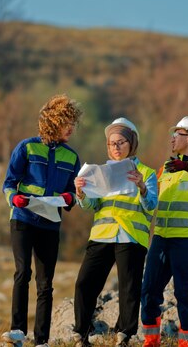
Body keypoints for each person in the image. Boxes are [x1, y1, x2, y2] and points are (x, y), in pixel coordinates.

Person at [1, 94, 83, 347]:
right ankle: (17, 331)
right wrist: (15, 199)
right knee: (22, 272)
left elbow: (75, 194)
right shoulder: (26, 147)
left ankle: (42, 340)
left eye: (73, 123)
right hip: (23, 219)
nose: (71, 128)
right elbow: (9, 183)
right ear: (52, 122)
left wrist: (70, 198)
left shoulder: (72, 157)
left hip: (50, 223)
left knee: (45, 283)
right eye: (65, 122)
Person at [73, 118, 158, 347]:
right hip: (102, 234)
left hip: (130, 236)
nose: (116, 147)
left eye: (121, 142)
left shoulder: (147, 173)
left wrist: (141, 187)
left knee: (128, 287)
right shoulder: (99, 172)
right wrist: (81, 194)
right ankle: (81, 332)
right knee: (84, 283)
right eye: (111, 144)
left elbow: (151, 205)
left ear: (131, 144)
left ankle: (125, 334)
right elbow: (93, 205)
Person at [140, 116, 188, 347]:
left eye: (177, 134)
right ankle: (151, 341)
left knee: (185, 295)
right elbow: (152, 198)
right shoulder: (165, 168)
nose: (172, 138)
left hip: (187, 241)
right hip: (161, 239)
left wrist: (186, 166)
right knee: (149, 291)